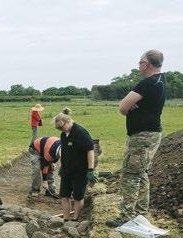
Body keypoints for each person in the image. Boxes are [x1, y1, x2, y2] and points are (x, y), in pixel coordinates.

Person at [106, 50, 166, 228]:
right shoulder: (161, 80)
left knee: (131, 175)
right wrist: (134, 106)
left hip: (142, 135)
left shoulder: (148, 83)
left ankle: (126, 216)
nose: (139, 66)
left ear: (146, 64)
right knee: (141, 172)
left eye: (140, 63)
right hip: (152, 133)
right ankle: (141, 213)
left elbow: (123, 107)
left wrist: (131, 107)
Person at [54, 108, 97, 221]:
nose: (61, 130)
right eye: (59, 129)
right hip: (66, 170)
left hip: (79, 171)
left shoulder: (80, 133)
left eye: (61, 127)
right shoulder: (64, 135)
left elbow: (90, 150)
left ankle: (75, 218)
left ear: (67, 121)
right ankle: (66, 219)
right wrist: (63, 165)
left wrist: (90, 169)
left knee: (78, 196)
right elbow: (65, 151)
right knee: (64, 195)